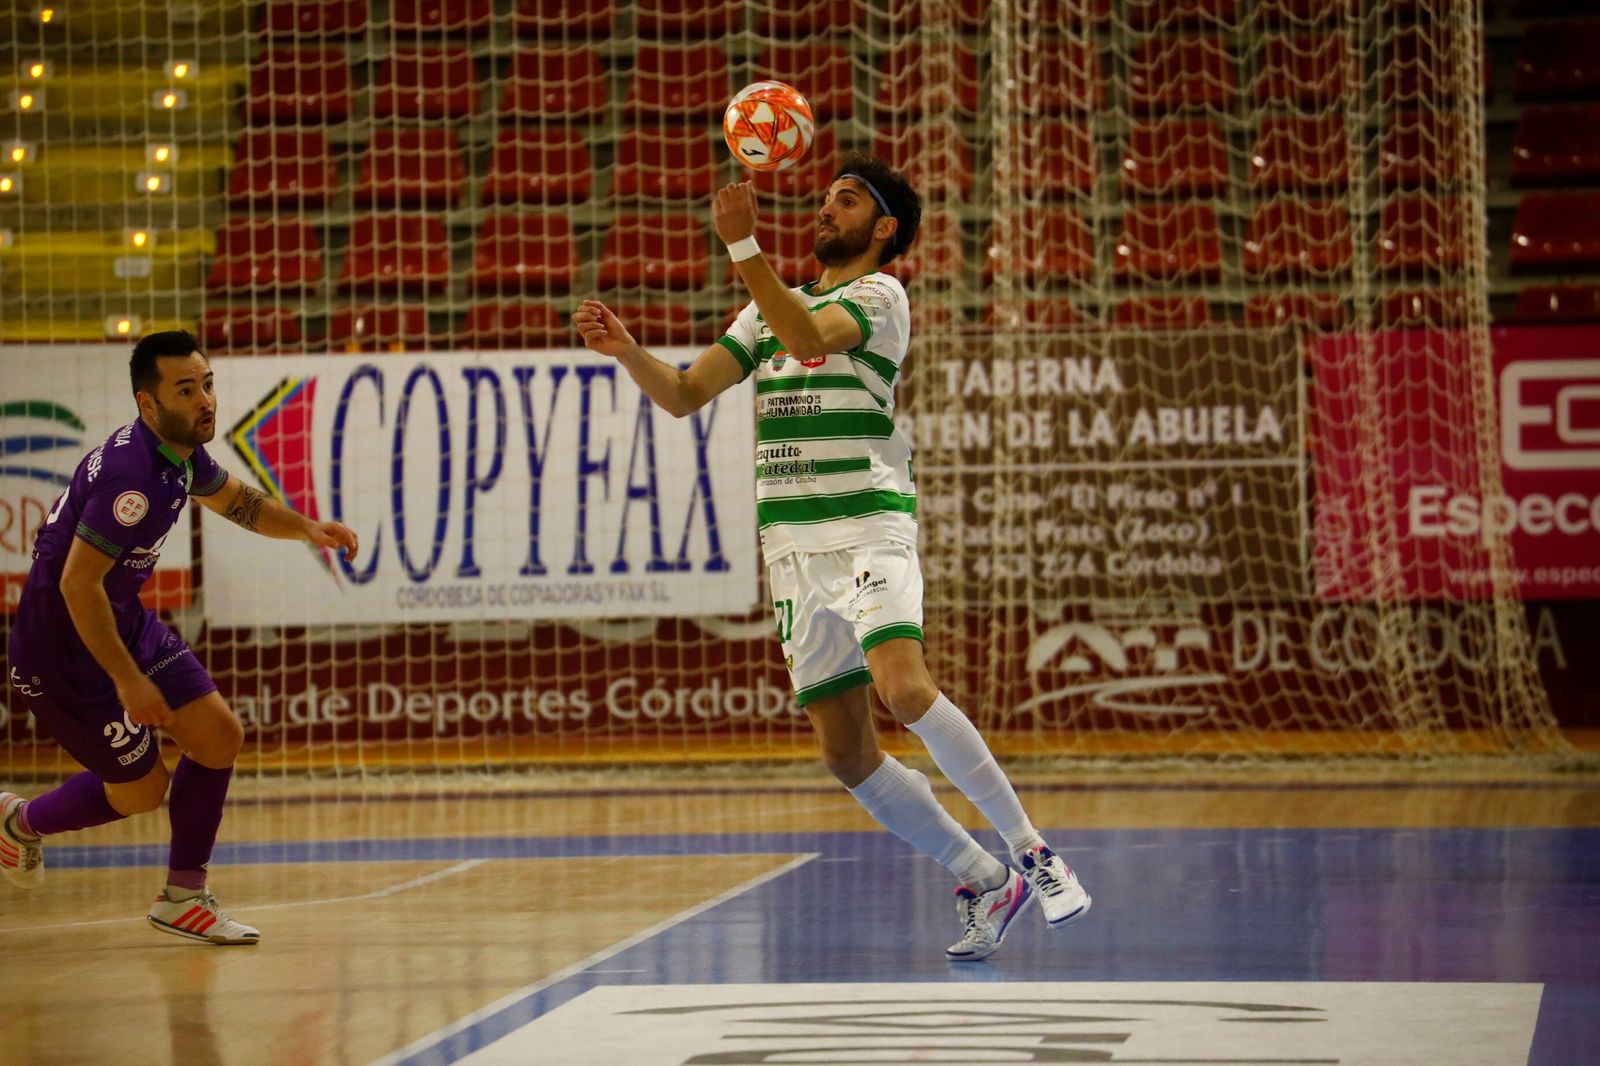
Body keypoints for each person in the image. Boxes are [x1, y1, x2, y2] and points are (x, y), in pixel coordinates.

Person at [572, 154, 1090, 961]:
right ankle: (985, 878)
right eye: (824, 198)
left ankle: (1034, 851)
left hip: (867, 524)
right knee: (846, 752)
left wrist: (743, 247)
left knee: (904, 688)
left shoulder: (879, 296)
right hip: (791, 547)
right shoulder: (766, 312)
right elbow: (683, 395)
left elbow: (810, 337)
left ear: (883, 227)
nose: (825, 209)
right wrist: (630, 352)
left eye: (845, 201)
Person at [1, 330, 359, 945]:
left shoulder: (179, 453)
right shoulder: (132, 480)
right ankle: (20, 823)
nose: (205, 401)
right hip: (61, 651)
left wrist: (308, 528)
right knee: (142, 791)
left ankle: (184, 898)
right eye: (186, 390)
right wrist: (127, 680)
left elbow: (238, 501)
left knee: (219, 736)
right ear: (148, 403)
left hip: (119, 618)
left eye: (207, 384)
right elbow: (77, 586)